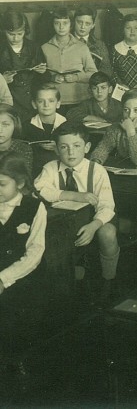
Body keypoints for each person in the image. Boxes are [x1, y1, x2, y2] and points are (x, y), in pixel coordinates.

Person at [34, 122, 120, 300]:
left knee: (108, 232)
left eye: (76, 146)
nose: (70, 152)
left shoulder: (96, 171)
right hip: (64, 221)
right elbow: (38, 189)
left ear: (87, 147)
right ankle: (66, 280)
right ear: (56, 150)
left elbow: (106, 206)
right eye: (64, 147)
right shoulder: (50, 168)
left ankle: (108, 279)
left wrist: (93, 226)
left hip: (93, 219)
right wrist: (71, 195)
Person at [0, 152, 48, 368]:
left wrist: (3, 279)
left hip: (22, 277)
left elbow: (34, 253)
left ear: (19, 183)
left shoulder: (34, 207)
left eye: (1, 184)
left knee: (14, 320)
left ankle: (16, 363)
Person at [40, 6, 97, 109]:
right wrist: (52, 78)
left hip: (80, 100)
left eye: (65, 23)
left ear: (71, 24)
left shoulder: (82, 47)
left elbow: (93, 74)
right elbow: (39, 75)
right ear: (52, 25)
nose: (61, 27)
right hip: (54, 102)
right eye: (57, 23)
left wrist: (76, 77)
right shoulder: (45, 48)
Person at [90, 89, 137, 166]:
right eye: (126, 110)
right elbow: (103, 148)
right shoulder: (115, 128)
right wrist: (95, 162)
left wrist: (131, 132)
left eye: (136, 110)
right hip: (126, 169)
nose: (130, 115)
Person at [0, 9, 47, 119]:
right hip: (9, 102)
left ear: (26, 30)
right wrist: (2, 80)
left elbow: (45, 78)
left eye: (19, 34)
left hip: (32, 100)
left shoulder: (34, 47)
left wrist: (43, 72)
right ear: (3, 31)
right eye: (11, 34)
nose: (15, 38)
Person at [23, 82, 67, 177]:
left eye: (51, 101)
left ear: (58, 103)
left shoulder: (67, 125)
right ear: (34, 104)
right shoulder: (26, 126)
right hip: (35, 171)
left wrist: (58, 148)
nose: (46, 105)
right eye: (40, 101)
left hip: (62, 171)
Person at [73, 6, 112, 77]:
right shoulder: (66, 41)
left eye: (87, 24)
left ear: (93, 25)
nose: (83, 27)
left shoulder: (100, 45)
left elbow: (106, 70)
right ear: (74, 22)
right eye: (79, 22)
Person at [0, 104, 33, 175]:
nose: (0, 130)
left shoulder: (23, 149)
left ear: (15, 125)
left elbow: (24, 179)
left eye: (5, 124)